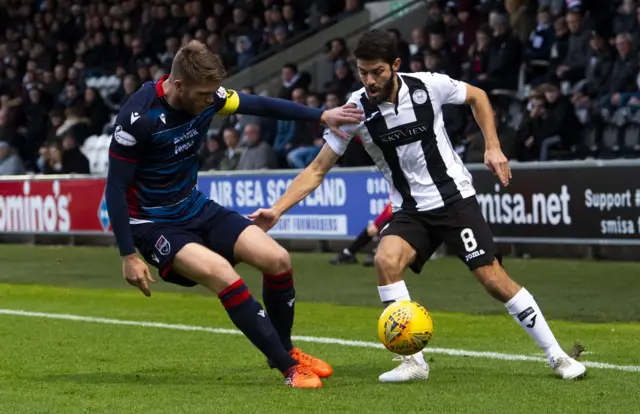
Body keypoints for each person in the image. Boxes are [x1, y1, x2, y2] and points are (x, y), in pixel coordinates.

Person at [249, 30, 586, 383]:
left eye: (376, 71)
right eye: (362, 72)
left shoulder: (429, 85)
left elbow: (479, 97)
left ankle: (558, 356)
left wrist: (493, 146)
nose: (369, 80)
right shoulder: (354, 110)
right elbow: (317, 168)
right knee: (384, 260)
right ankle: (414, 362)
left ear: (395, 65)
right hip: (409, 210)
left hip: (454, 200)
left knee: (492, 279)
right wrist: (278, 209)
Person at [105, 40, 363, 389]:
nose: (212, 101)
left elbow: (260, 105)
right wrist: (127, 255)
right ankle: (289, 369)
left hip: (194, 206)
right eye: (204, 94)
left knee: (278, 258)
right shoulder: (137, 119)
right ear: (178, 86)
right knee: (223, 275)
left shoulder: (207, 96)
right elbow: (115, 189)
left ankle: (283, 350)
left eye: (215, 93)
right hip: (153, 223)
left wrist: (320, 115)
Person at [330, 201, 392, 267]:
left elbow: (394, 211)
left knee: (387, 225)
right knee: (370, 229)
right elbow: (388, 209)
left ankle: (379, 251)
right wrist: (376, 224)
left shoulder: (399, 193)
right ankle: (349, 253)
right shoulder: (394, 194)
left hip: (401, 223)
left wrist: (377, 224)